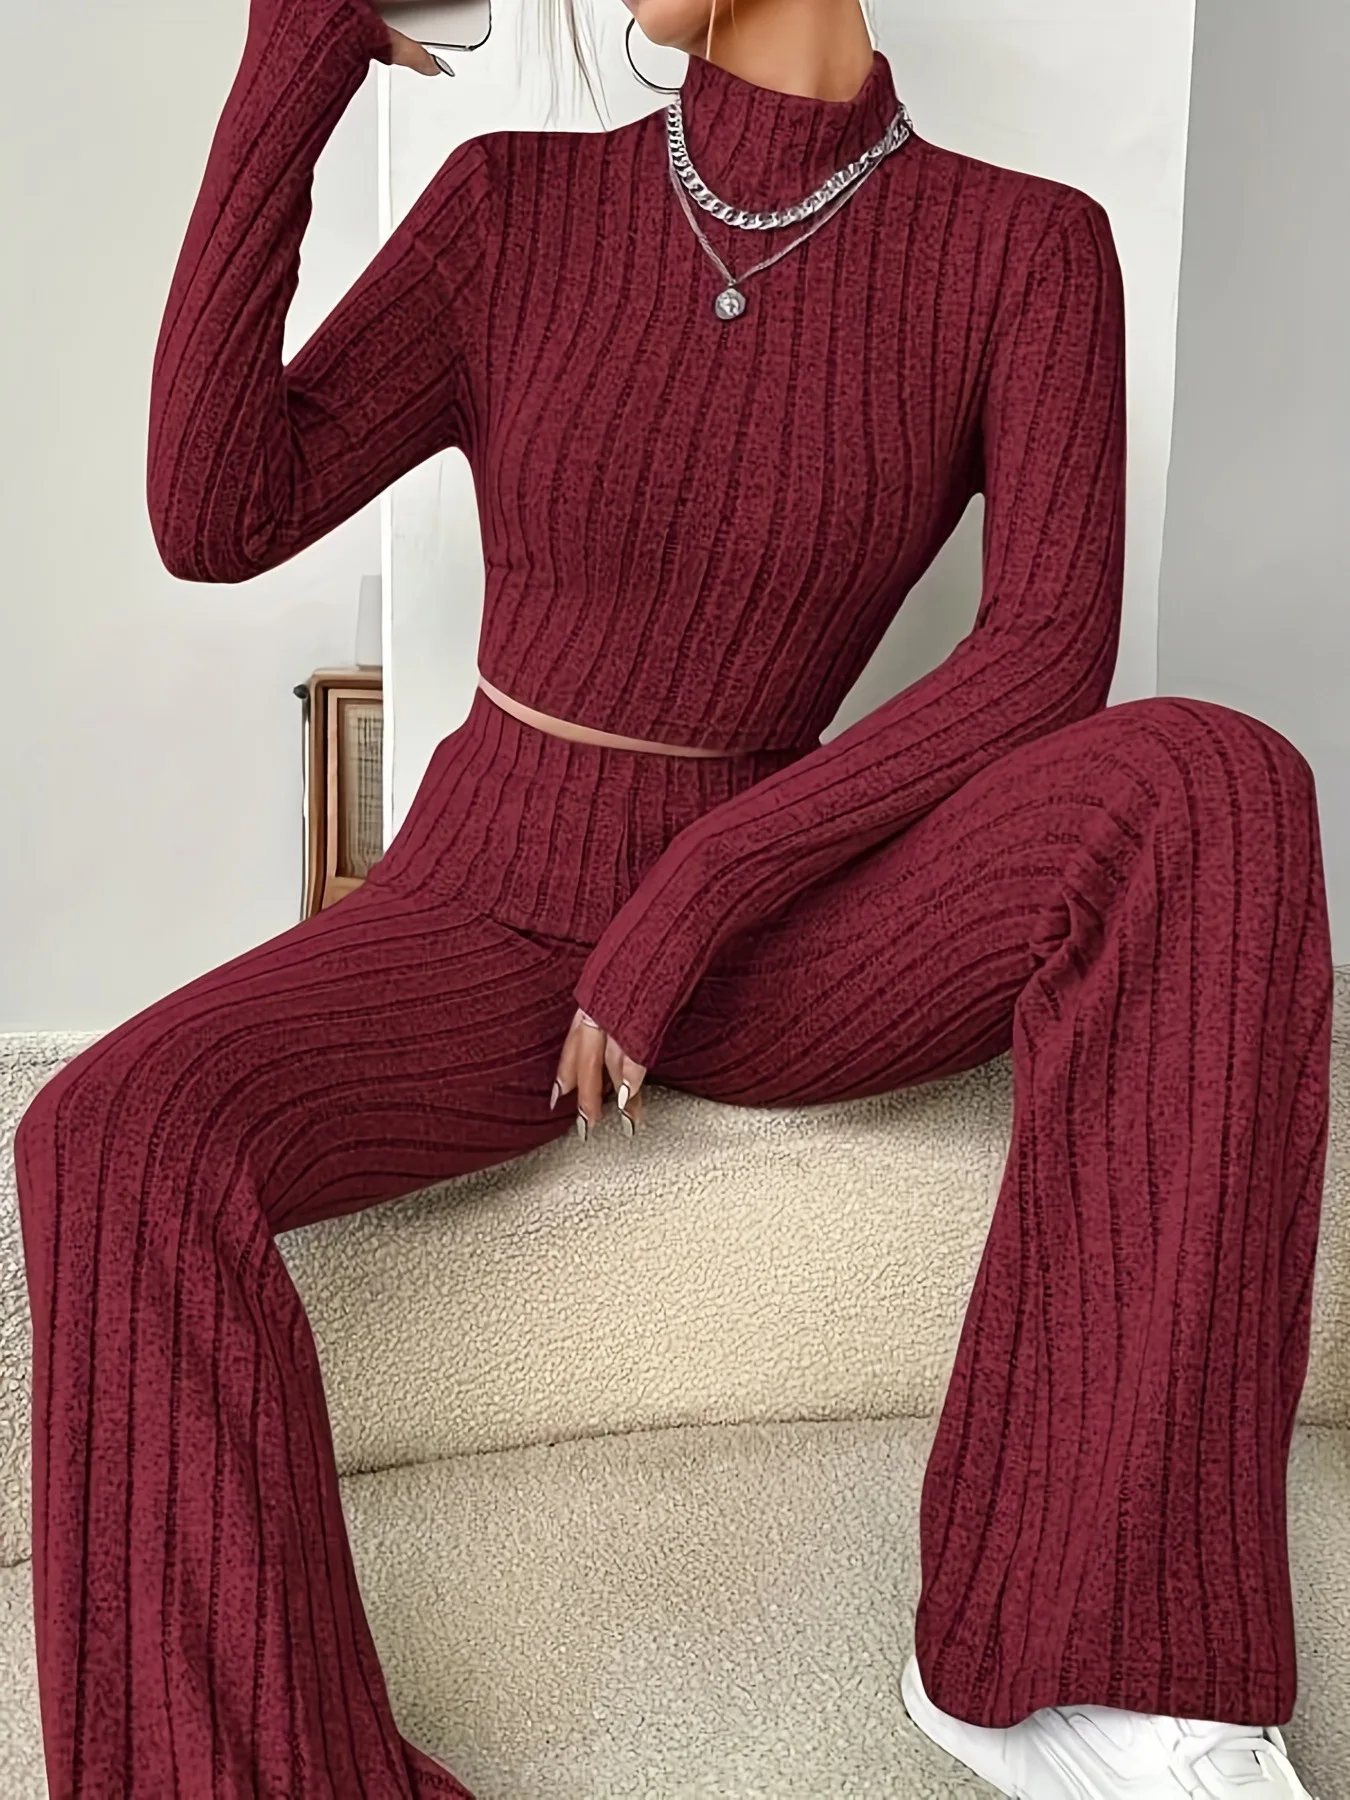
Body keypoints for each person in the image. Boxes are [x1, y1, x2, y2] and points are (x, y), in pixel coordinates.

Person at [12, 0, 1334, 1792]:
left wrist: (700, 887)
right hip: (478, 911)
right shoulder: (512, 207)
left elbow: (1043, 649)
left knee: (1215, 781)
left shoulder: (1022, 249)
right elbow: (214, 513)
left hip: (778, 933)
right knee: (107, 1134)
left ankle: (1072, 1669)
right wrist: (297, 54)